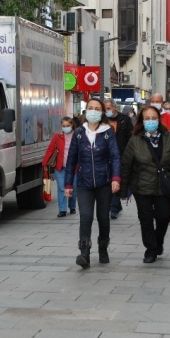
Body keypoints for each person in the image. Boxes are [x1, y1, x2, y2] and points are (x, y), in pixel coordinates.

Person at [120, 106, 170, 262]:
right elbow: (126, 165)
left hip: (163, 186)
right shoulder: (135, 140)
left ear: (159, 119)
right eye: (147, 118)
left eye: (154, 118)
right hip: (141, 186)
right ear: (141, 120)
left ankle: (158, 241)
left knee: (163, 216)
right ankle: (150, 249)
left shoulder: (169, 138)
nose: (151, 121)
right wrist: (123, 189)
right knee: (145, 218)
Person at [65, 98, 121, 269]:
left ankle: (103, 248)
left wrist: (116, 178)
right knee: (86, 217)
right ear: (86, 110)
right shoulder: (79, 133)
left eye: (97, 108)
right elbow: (72, 160)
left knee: (103, 218)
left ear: (102, 112)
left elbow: (115, 156)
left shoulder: (107, 132)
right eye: (90, 108)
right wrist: (68, 184)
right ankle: (84, 253)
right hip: (84, 182)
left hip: (104, 182)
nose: (93, 111)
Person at [104, 99, 133, 219]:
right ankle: (114, 206)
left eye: (108, 108)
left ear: (114, 108)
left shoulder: (124, 120)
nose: (107, 111)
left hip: (120, 156)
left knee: (115, 180)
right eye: (105, 109)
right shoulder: (103, 121)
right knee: (108, 182)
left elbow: (130, 138)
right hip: (105, 156)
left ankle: (114, 208)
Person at [42, 117, 78, 217]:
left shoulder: (77, 135)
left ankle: (72, 206)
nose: (66, 128)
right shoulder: (58, 136)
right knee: (61, 188)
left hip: (73, 167)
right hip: (60, 167)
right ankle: (62, 210)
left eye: (68, 126)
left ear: (72, 125)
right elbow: (50, 148)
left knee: (73, 188)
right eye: (64, 126)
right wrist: (45, 162)